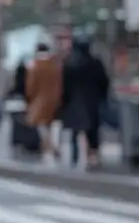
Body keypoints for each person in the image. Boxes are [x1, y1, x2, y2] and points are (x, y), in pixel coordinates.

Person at [59, 35, 109, 170]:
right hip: (92, 102)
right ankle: (93, 157)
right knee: (93, 132)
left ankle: (74, 158)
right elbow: (104, 83)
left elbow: (63, 86)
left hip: (73, 102)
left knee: (75, 132)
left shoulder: (69, 64)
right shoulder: (95, 63)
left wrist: (63, 102)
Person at [25, 42, 63, 159]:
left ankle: (48, 144)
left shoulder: (35, 66)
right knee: (54, 122)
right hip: (55, 98)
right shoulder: (55, 65)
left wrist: (30, 97)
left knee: (40, 123)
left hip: (39, 99)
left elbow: (30, 86)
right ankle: (54, 144)